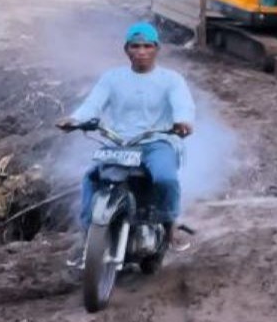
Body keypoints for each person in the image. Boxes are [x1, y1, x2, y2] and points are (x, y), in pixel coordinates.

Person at [58, 22, 196, 255]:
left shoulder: (171, 80)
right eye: (135, 46)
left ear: (156, 49)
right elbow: (93, 105)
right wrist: (74, 119)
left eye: (147, 46)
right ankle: (88, 236)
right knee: (91, 178)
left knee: (165, 179)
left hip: (157, 142)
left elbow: (183, 105)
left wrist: (182, 122)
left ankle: (169, 225)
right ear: (126, 50)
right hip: (119, 143)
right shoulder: (112, 78)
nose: (141, 51)